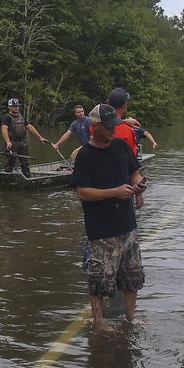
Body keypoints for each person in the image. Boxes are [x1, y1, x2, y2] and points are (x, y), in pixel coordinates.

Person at [71, 103, 147, 329]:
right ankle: (98, 321)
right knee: (99, 280)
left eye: (115, 125)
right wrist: (114, 192)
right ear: (95, 127)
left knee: (132, 275)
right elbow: (83, 192)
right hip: (102, 229)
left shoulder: (122, 147)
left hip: (128, 225)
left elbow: (134, 173)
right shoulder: (85, 156)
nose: (114, 130)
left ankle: (131, 317)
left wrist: (139, 186)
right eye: (109, 126)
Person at [1, 98, 49, 178]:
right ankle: (7, 178)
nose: (17, 108)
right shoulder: (7, 118)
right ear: (9, 107)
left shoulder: (21, 117)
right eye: (14, 106)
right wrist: (8, 142)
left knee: (25, 163)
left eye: (17, 106)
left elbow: (30, 127)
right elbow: (4, 129)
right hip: (12, 143)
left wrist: (40, 137)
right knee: (10, 163)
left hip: (22, 143)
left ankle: (28, 178)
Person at [104, 88, 157, 154]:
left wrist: (124, 121)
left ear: (108, 103)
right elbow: (131, 158)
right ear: (124, 106)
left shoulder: (98, 126)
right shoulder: (128, 130)